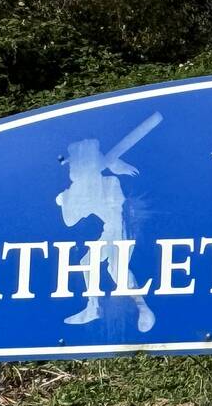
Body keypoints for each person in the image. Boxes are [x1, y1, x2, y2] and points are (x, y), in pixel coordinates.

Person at [58, 136, 156, 332]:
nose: (71, 170)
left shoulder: (109, 183)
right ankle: (92, 306)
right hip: (109, 230)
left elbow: (117, 208)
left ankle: (143, 308)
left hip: (123, 230)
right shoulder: (81, 190)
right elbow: (70, 221)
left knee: (116, 270)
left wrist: (71, 198)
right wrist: (66, 199)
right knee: (87, 263)